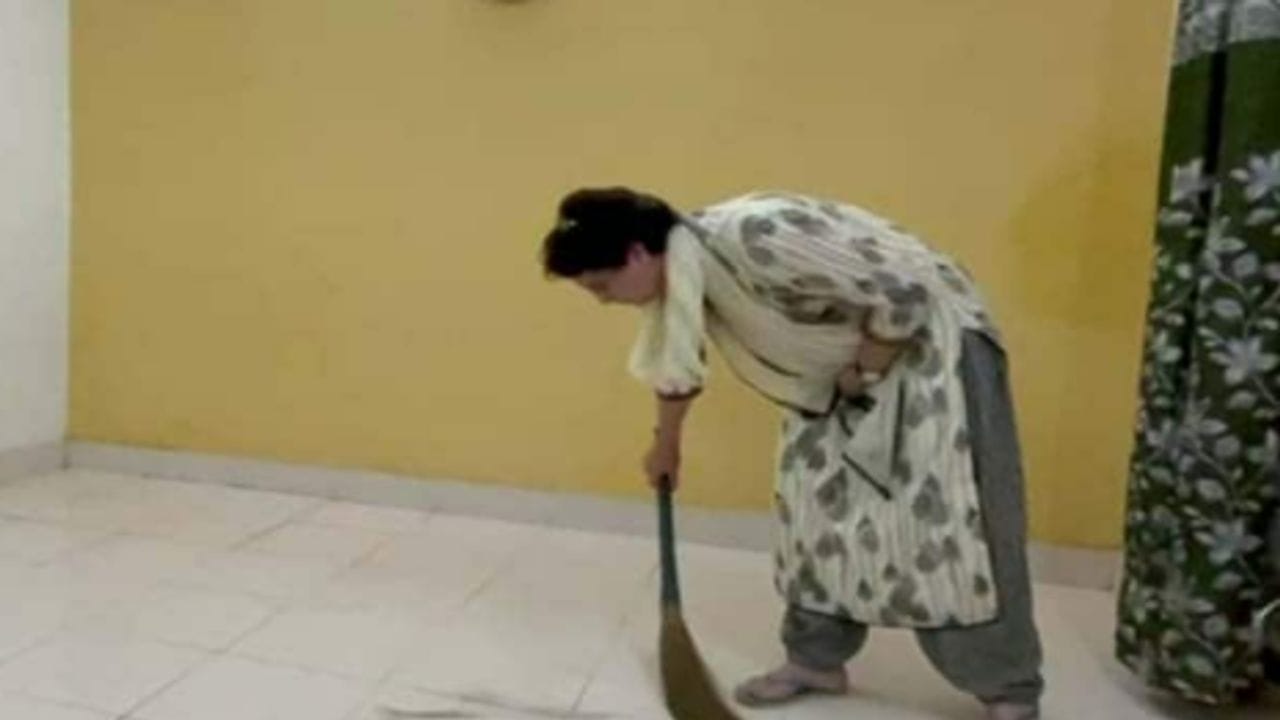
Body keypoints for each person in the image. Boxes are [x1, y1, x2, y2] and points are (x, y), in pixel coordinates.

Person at [540, 187, 1045, 720]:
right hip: (840, 369)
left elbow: (906, 291)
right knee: (812, 511)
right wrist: (665, 446)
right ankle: (815, 660)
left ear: (638, 254)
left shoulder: (757, 234)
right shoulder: (685, 274)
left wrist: (866, 372)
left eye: (601, 285)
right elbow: (677, 366)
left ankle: (1007, 689)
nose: (603, 300)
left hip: (929, 347)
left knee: (950, 530)